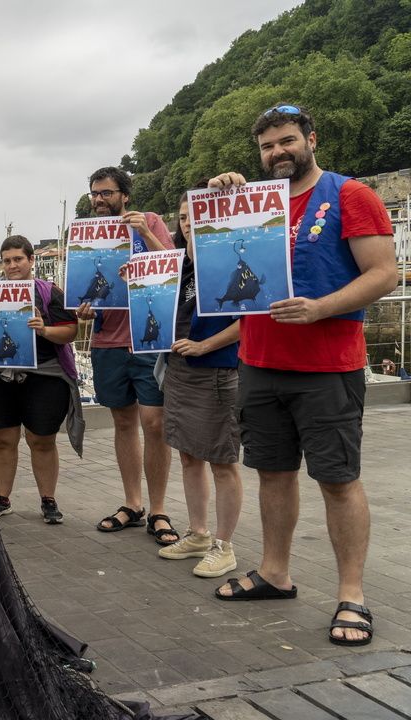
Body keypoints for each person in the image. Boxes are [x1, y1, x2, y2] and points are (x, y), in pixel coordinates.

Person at [208, 105, 396, 649]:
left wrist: (321, 308)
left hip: (327, 368)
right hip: (260, 364)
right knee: (272, 473)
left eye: (287, 141)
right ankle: (274, 573)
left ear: (311, 139)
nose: (278, 153)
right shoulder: (250, 205)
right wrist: (225, 197)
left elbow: (385, 273)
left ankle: (353, 594)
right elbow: (210, 250)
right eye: (268, 146)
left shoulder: (350, 195)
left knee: (338, 481)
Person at [75, 167, 177, 544]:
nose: (99, 200)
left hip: (148, 340)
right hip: (107, 341)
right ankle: (134, 504)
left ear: (124, 195)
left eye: (106, 193)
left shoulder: (149, 221)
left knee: (154, 423)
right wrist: (81, 309)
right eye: (94, 194)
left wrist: (146, 233)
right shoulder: (88, 234)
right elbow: (82, 287)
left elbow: (175, 267)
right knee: (123, 423)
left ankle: (161, 509)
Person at [156, 190, 243, 578]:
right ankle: (198, 533)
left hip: (218, 369)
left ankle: (224, 546)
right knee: (189, 454)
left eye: (196, 216)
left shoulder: (228, 259)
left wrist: (205, 345)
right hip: (180, 368)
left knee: (222, 461)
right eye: (183, 217)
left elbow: (251, 319)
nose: (188, 223)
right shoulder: (179, 266)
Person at [0, 236, 79, 523]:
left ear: (31, 261)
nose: (12, 265)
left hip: (44, 372)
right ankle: (2, 498)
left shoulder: (49, 292)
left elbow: (70, 331)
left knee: (41, 439)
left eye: (18, 259)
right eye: (7, 260)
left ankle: (48, 499)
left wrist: (44, 330)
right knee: (3, 440)